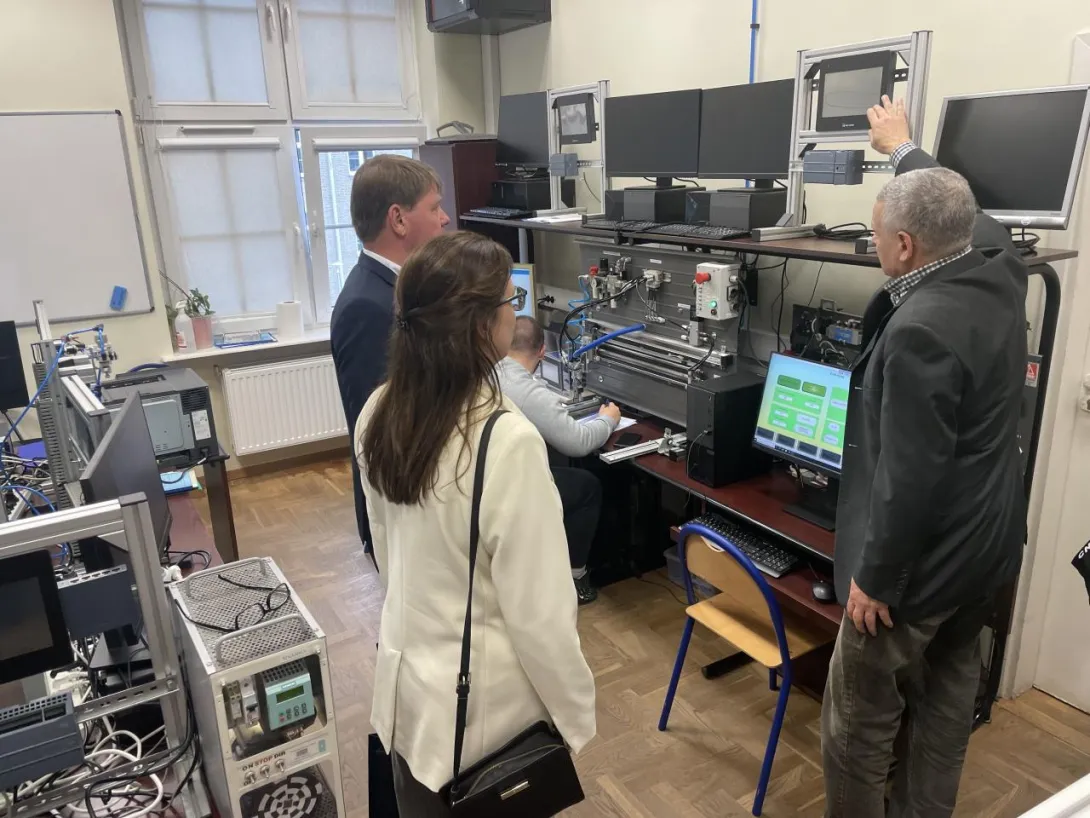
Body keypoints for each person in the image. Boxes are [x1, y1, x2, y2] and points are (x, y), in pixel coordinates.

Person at [822, 95, 1029, 818]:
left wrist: (874, 580)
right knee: (944, 708)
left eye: (877, 234)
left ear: (905, 246)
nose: (873, 243)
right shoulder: (1001, 270)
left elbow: (910, 477)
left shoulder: (921, 331)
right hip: (987, 555)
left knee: (857, 727)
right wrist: (903, 149)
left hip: (919, 569)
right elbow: (974, 216)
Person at [357, 231, 596, 815]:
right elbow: (540, 613)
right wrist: (575, 715)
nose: (517, 312)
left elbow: (388, 554)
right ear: (481, 326)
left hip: (409, 698)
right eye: (511, 300)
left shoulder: (379, 410)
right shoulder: (505, 440)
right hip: (485, 727)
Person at [330, 155, 450, 563]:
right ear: (398, 219)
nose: (445, 219)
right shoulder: (367, 306)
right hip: (404, 510)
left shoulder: (396, 290)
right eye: (434, 207)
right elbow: (382, 430)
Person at [498, 316, 621, 604]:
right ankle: (575, 578)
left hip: (493, 479)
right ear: (542, 351)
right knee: (586, 486)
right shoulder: (527, 391)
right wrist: (608, 419)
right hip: (510, 488)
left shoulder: (492, 371)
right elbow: (578, 442)